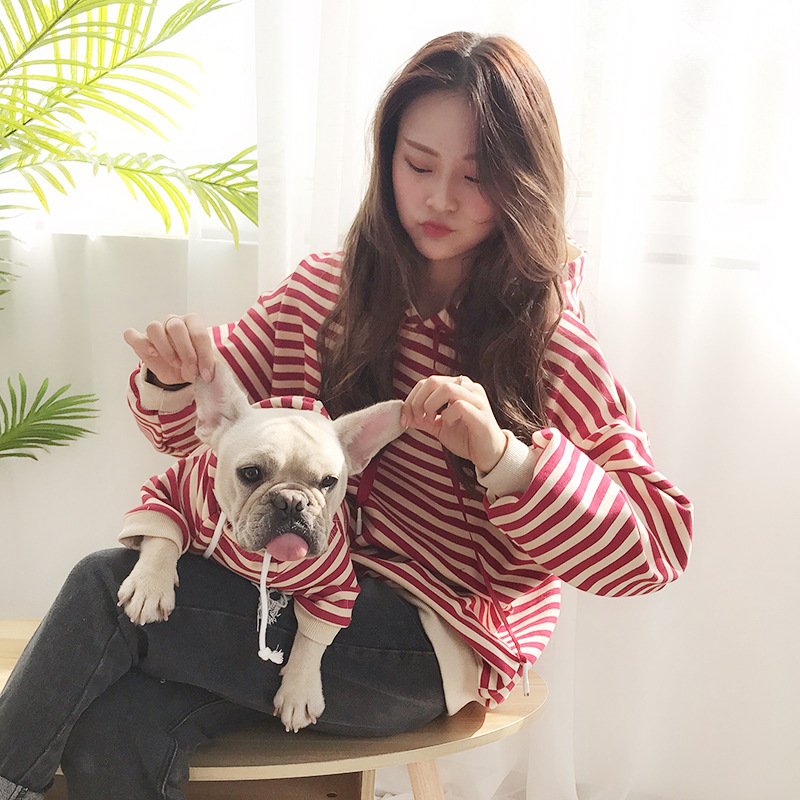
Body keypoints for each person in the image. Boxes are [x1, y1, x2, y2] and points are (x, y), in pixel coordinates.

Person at [0, 31, 693, 800]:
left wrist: (505, 458)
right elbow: (193, 434)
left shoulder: (551, 347)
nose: (440, 198)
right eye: (419, 165)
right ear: (386, 160)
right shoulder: (320, 296)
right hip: (292, 597)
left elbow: (654, 552)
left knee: (106, 586)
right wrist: (171, 377)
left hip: (424, 646)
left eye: (475, 177)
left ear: (523, 182)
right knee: (118, 721)